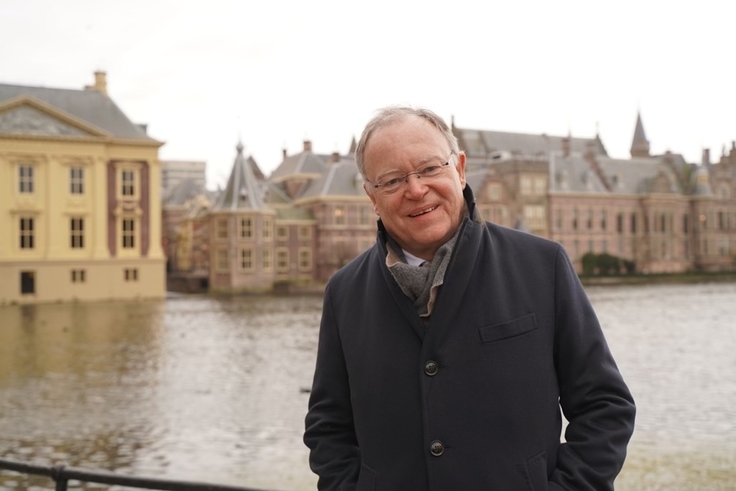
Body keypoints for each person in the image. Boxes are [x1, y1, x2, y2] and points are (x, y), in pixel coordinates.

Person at [304, 106, 635, 490]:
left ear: (459, 169)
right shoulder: (344, 292)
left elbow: (605, 407)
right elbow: (328, 428)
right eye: (392, 180)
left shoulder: (542, 266)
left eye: (430, 169)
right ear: (372, 197)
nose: (415, 189)